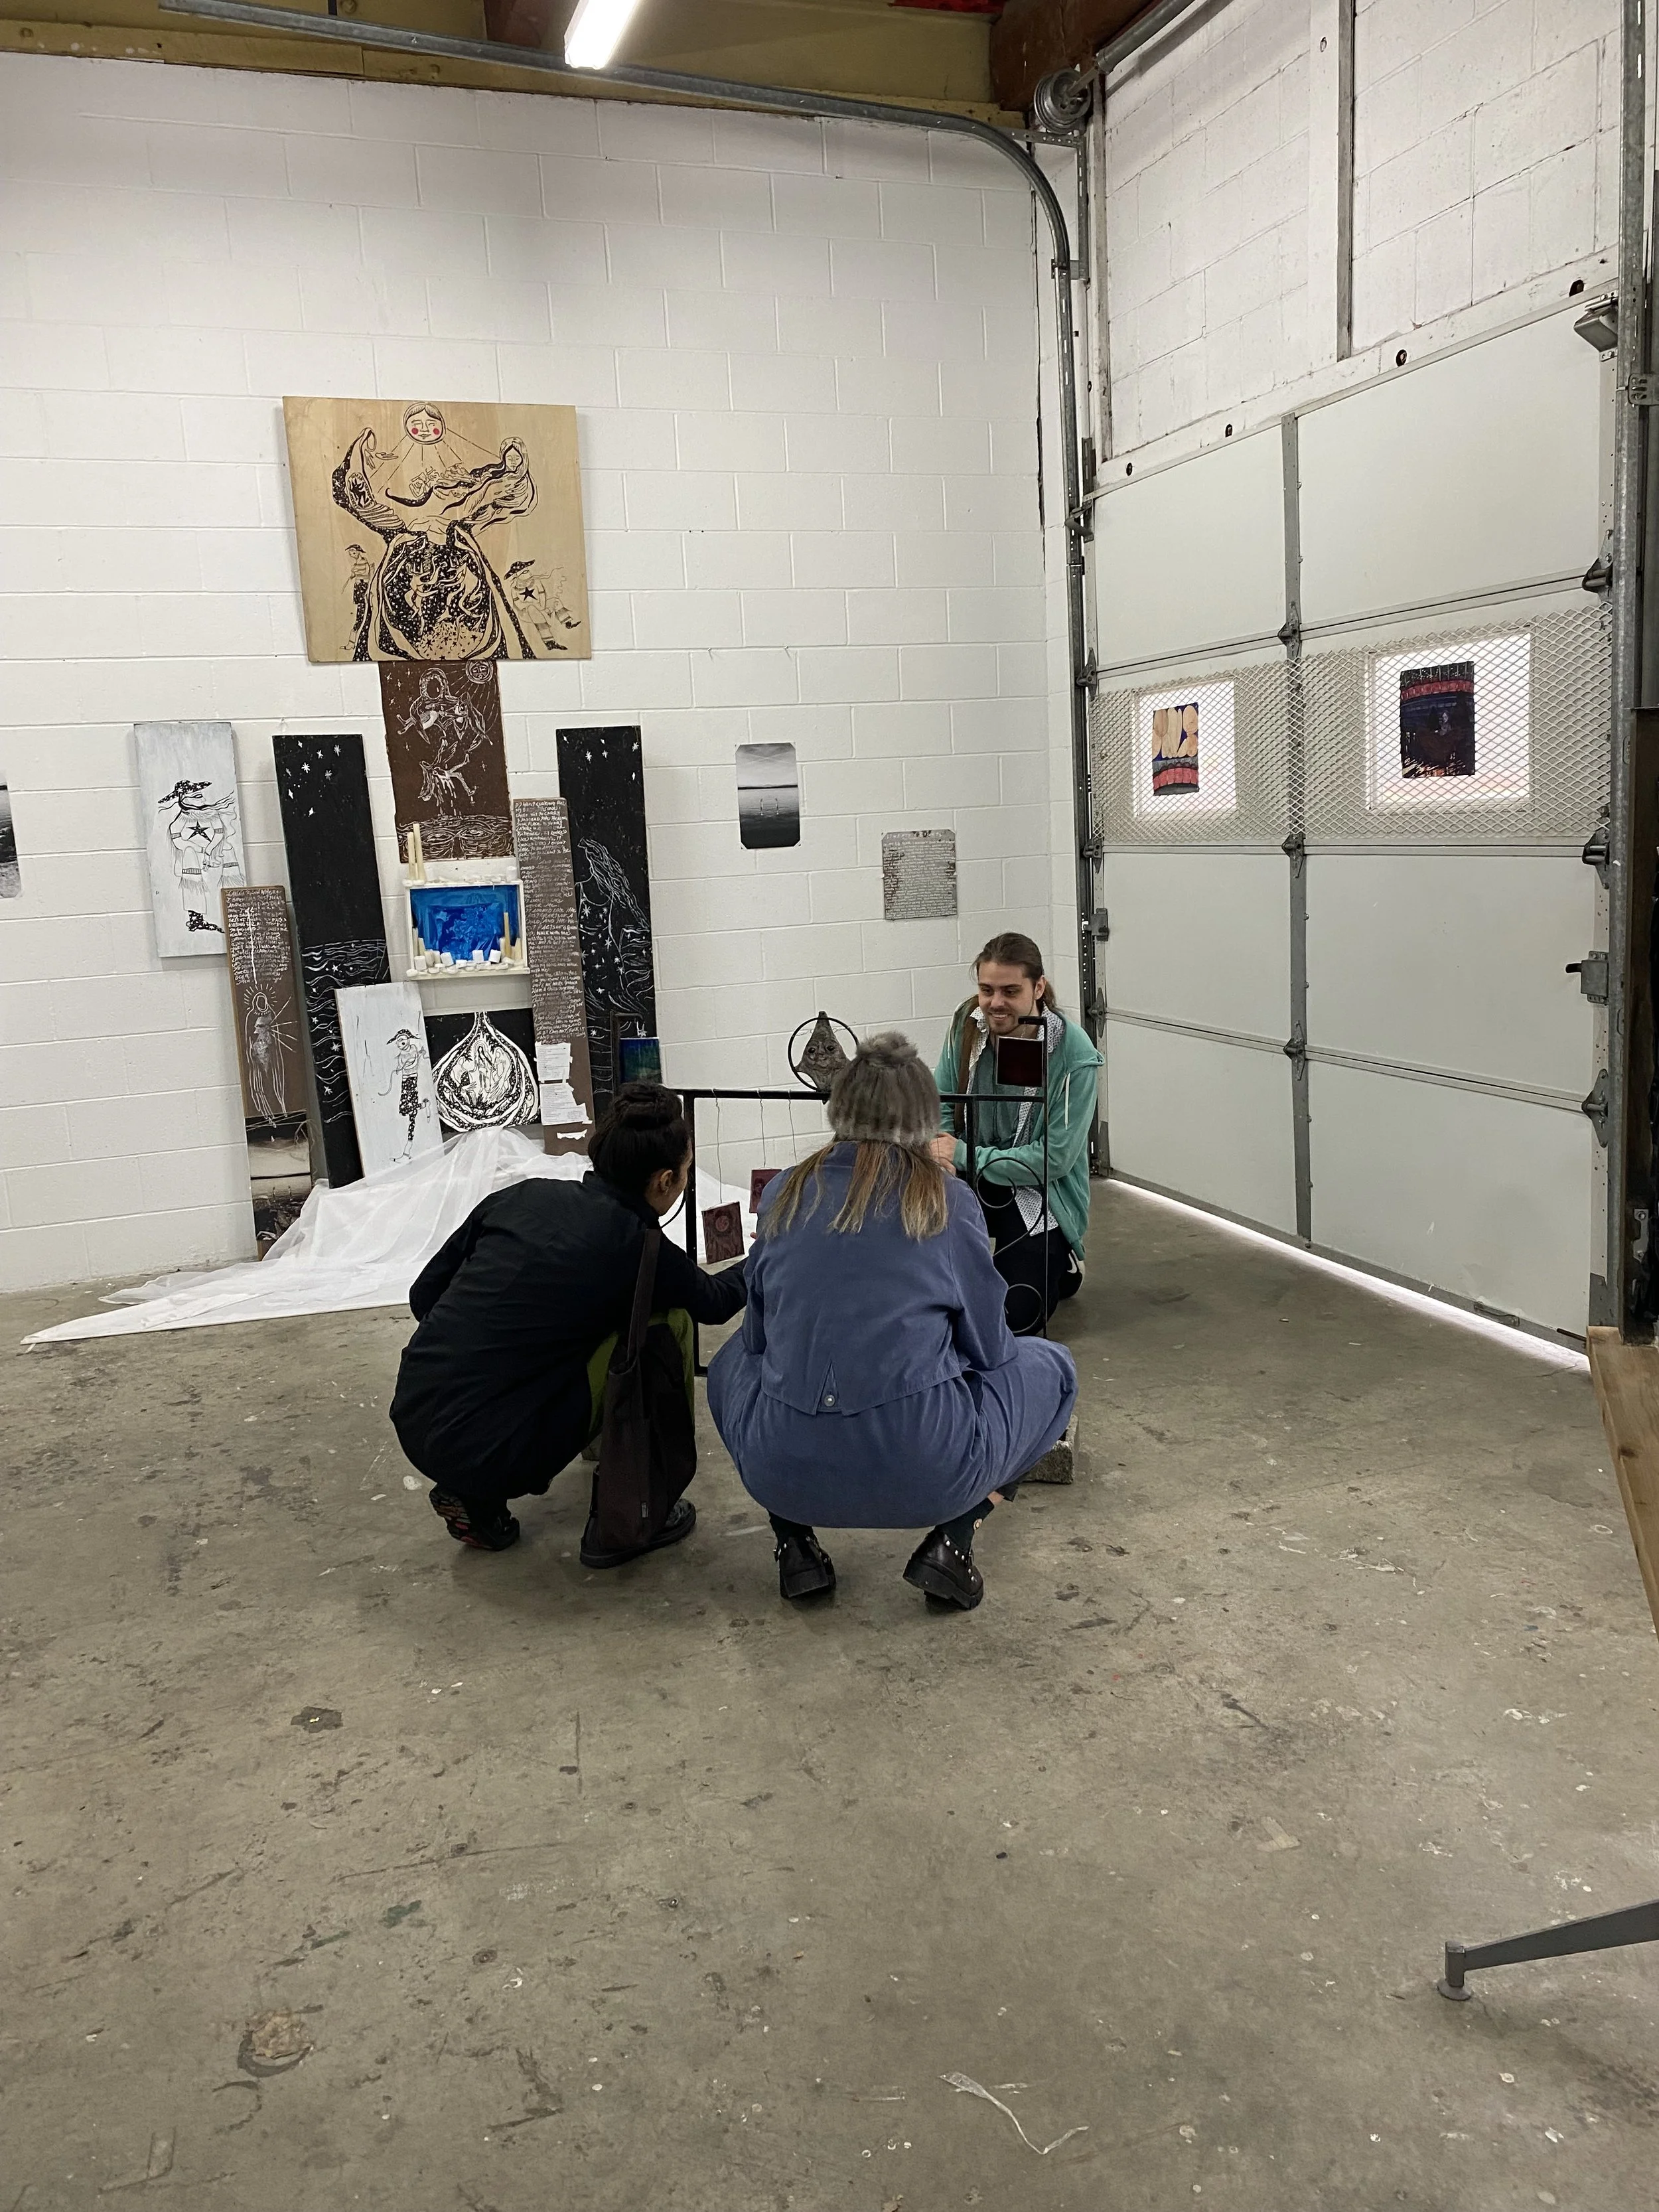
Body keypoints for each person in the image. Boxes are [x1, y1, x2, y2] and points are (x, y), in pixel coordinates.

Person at [707, 1033, 1076, 1611]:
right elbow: (992, 1349)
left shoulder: (782, 1191)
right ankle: (953, 1540)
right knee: (1054, 1369)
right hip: (929, 1468)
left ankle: (794, 1540)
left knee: (732, 1360)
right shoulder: (948, 1202)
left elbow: (757, 1338)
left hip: (781, 1466)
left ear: (838, 1106)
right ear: (926, 1118)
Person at [390, 1082, 746, 1564]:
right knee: (669, 1320)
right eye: (684, 1174)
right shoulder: (640, 1248)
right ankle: (640, 1505)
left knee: (546, 1342)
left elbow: (422, 1296)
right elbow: (716, 1301)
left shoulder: (521, 1196)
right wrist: (775, 1249)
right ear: (664, 1181)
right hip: (501, 1450)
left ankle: (475, 1492)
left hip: (414, 1409)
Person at [930, 932, 1103, 1336]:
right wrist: (941, 1152)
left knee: (1015, 1322)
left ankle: (1058, 1261)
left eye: (1011, 991)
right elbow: (941, 1100)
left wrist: (961, 1154)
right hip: (969, 1173)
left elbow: (1055, 1159)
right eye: (986, 990)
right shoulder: (967, 1022)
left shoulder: (1074, 1054)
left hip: (1038, 1192)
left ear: (1038, 987)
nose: (995, 1003)